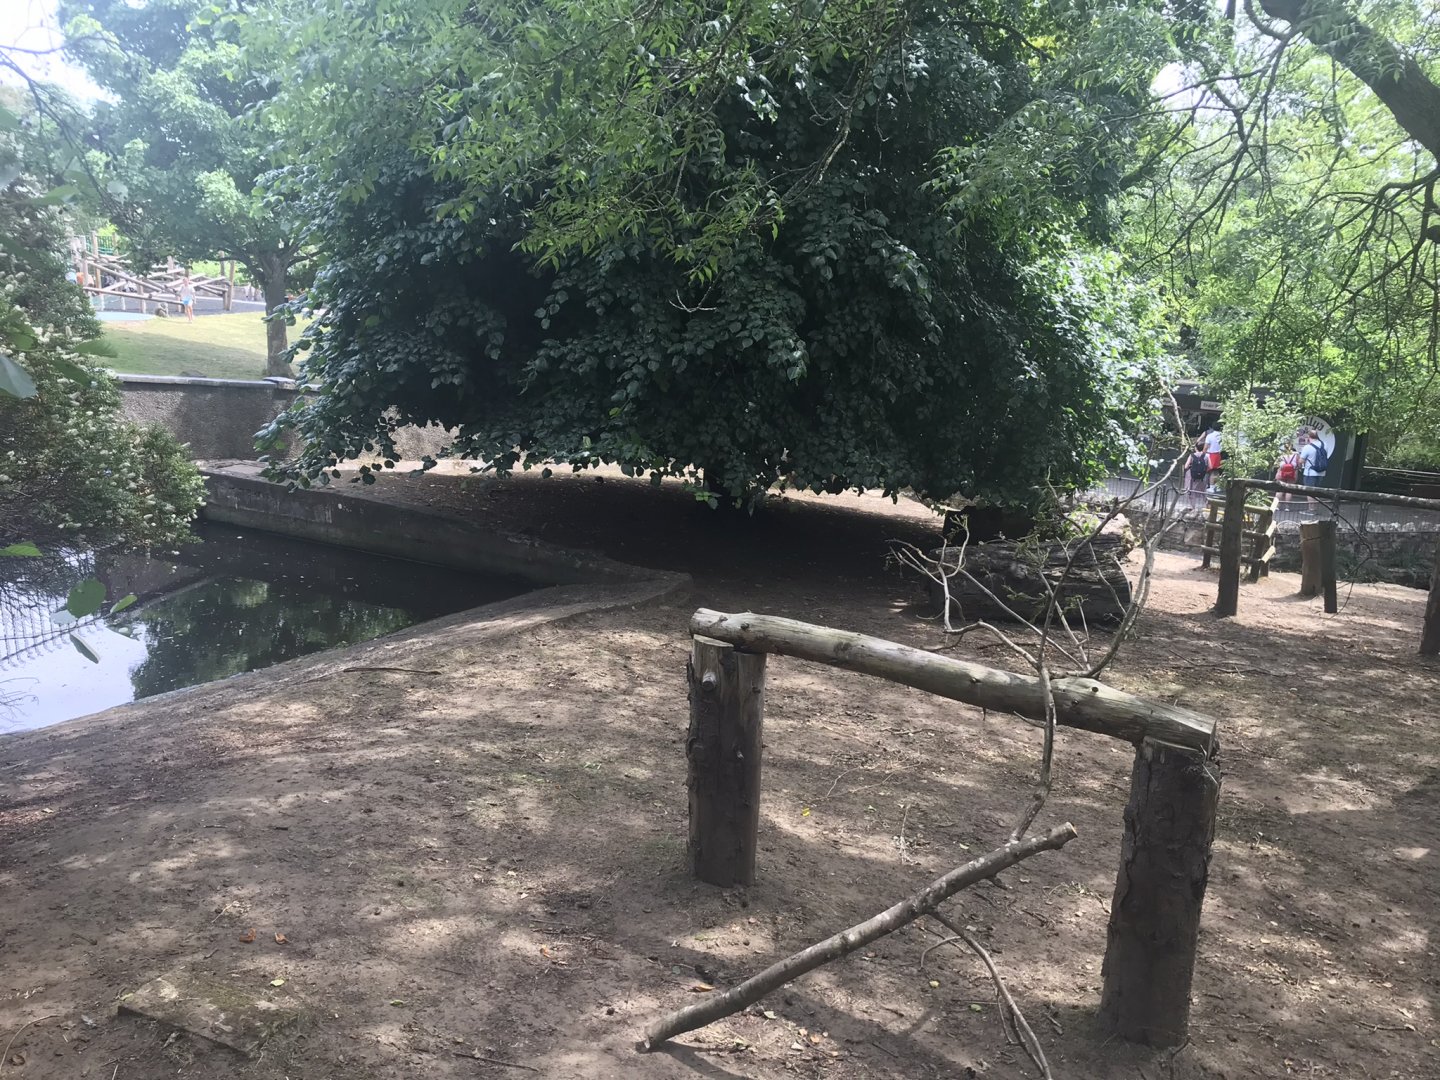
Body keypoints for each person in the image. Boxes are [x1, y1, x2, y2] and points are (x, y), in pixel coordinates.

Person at [1202, 424, 1224, 493]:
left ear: (1213, 428)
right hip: (1219, 454)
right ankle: (1217, 486)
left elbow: (1205, 447)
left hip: (1210, 454)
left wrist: (1202, 454)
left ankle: (1211, 487)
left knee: (1211, 472)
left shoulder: (1210, 436)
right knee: (1217, 472)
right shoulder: (1223, 436)